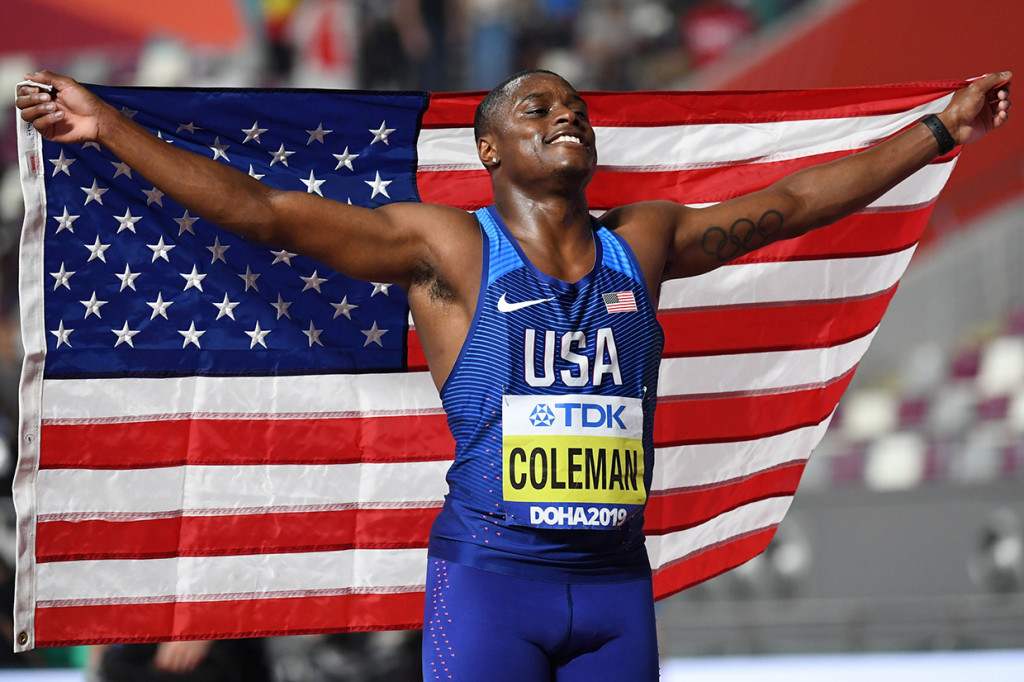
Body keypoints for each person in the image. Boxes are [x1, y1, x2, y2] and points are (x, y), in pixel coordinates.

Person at [17, 68, 1011, 680]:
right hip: (495, 585)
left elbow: (790, 203)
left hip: (616, 588)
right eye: (538, 107)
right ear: (489, 147)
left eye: (574, 108)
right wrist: (112, 130)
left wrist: (936, 132)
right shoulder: (448, 250)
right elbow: (266, 215)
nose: (565, 115)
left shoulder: (643, 240)